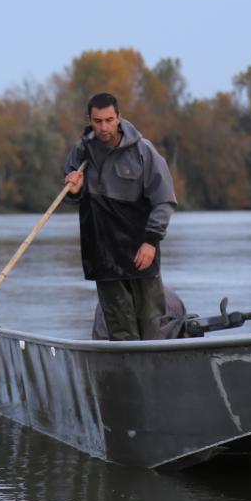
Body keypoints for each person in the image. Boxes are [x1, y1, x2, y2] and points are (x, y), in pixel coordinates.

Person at [64, 92, 177, 340]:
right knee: (121, 333)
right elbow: (73, 197)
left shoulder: (143, 152)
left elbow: (164, 201)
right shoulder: (81, 153)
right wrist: (75, 191)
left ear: (119, 118)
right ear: (89, 120)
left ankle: (156, 374)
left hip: (141, 255)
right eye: (97, 121)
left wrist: (151, 242)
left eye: (109, 120)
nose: (103, 127)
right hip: (102, 258)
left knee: (153, 330)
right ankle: (127, 375)